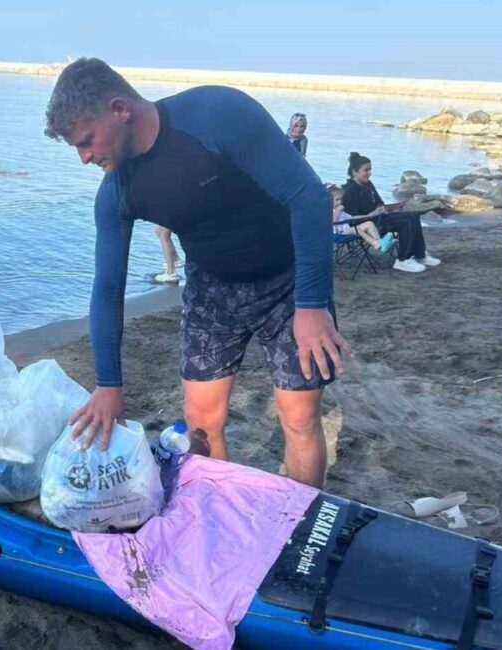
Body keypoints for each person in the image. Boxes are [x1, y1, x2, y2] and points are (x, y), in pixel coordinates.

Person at [44, 58, 347, 489]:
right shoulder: (117, 193)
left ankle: (300, 516)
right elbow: (108, 287)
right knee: (201, 421)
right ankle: (218, 507)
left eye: (87, 141)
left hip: (289, 280)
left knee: (298, 417)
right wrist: (108, 385)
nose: (84, 157)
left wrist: (311, 306)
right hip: (212, 290)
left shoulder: (216, 115)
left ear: (120, 109)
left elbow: (309, 199)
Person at [341, 152, 441, 273]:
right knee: (407, 221)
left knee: (414, 215)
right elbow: (350, 218)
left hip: (379, 218)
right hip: (367, 225)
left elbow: (379, 202)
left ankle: (420, 255)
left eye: (370, 170)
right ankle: (403, 260)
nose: (370, 173)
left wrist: (381, 208)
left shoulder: (368, 185)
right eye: (366, 170)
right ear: (354, 172)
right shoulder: (350, 191)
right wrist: (372, 214)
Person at [330, 186, 395, 253]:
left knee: (369, 223)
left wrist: (367, 216)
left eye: (341, 199)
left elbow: (352, 217)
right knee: (355, 229)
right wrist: (338, 210)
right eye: (337, 200)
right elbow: (332, 221)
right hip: (337, 234)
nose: (340, 202)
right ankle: (375, 244)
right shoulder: (328, 211)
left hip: (347, 231)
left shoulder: (342, 212)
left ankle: (381, 242)